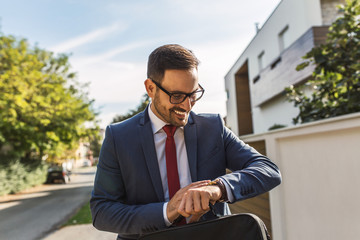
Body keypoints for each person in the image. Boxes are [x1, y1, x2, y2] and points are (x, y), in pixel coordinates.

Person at [90, 44, 281, 240]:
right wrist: (168, 211)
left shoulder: (213, 128)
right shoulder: (119, 137)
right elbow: (102, 211)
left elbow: (268, 170)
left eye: (193, 94)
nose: (187, 105)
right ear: (150, 88)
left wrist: (218, 189)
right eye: (177, 96)